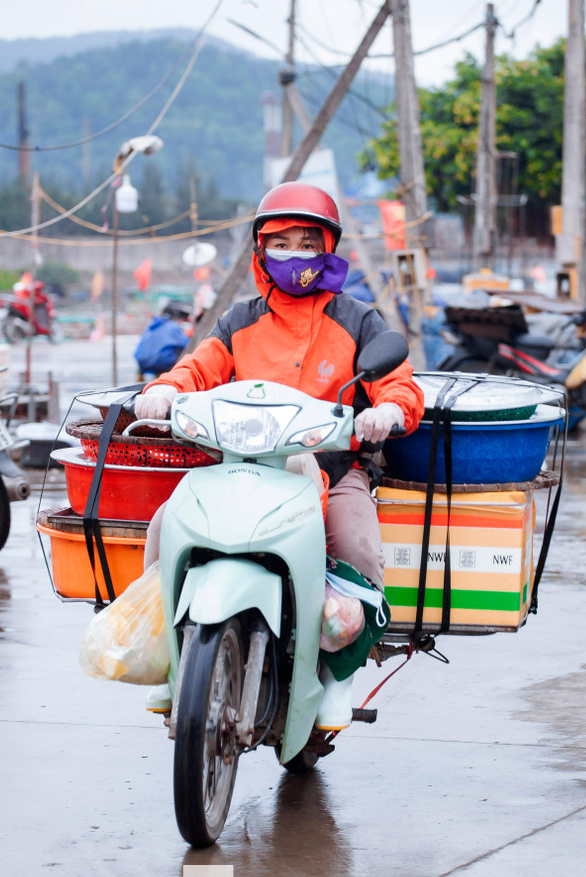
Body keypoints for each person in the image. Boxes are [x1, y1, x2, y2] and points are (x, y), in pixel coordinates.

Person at [135, 181, 425, 729]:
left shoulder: (358, 319)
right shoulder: (237, 321)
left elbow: (400, 386)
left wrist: (386, 412)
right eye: (282, 243)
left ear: (328, 249)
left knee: (359, 551)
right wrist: (167, 390)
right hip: (238, 469)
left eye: (307, 244)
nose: (295, 256)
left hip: (333, 470)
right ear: (262, 251)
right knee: (164, 528)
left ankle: (336, 678)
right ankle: (168, 657)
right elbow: (197, 368)